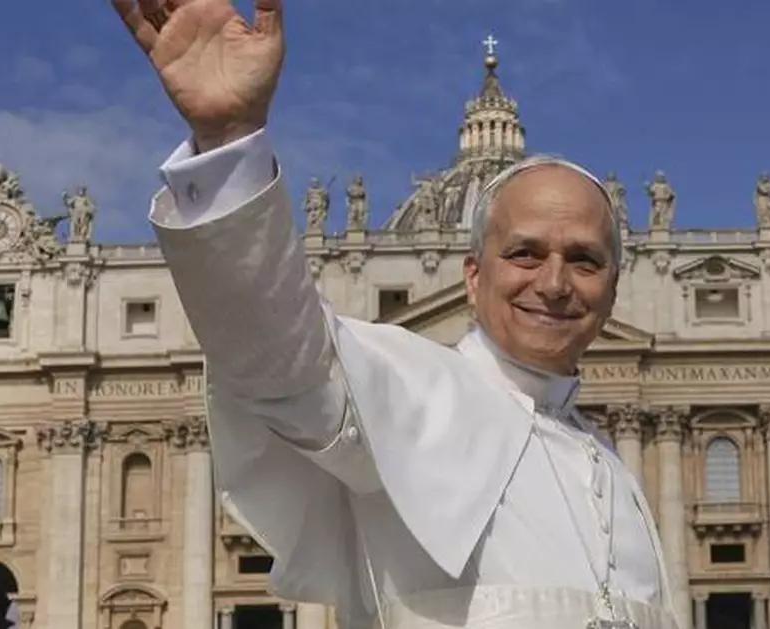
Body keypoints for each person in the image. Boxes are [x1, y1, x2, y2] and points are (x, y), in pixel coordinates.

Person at [111, 0, 680, 627]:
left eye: (584, 261)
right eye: (523, 253)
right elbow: (282, 358)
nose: (553, 283)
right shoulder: (409, 389)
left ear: (614, 288)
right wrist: (228, 147)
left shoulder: (618, 476)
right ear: (471, 275)